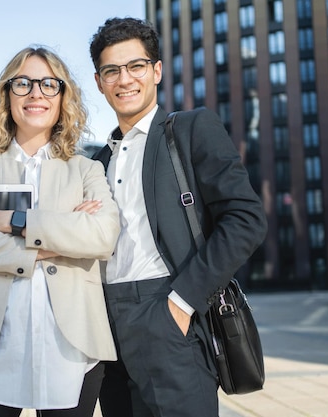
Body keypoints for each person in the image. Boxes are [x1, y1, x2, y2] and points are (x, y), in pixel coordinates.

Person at [88, 17, 268, 417]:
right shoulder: (97, 162)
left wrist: (182, 302)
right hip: (106, 325)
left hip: (167, 307)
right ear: (99, 82)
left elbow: (245, 217)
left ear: (156, 70)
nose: (124, 79)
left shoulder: (189, 129)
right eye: (111, 70)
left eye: (135, 66)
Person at [0, 46, 120, 417]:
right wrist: (56, 240)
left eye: (50, 84)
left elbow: (101, 236)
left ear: (64, 97)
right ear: (7, 94)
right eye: (23, 83)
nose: (36, 93)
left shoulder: (87, 171)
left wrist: (11, 222)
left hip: (72, 351)